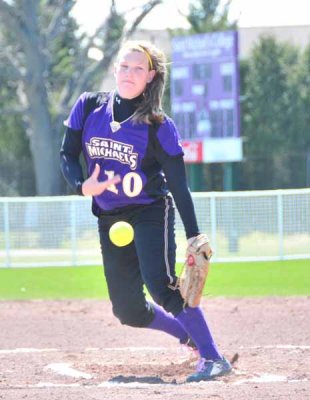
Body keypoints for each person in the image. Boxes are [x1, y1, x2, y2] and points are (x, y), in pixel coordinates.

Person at [60, 40, 232, 382]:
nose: (129, 73)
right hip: (110, 218)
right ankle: (186, 335)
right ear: (114, 69)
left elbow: (179, 184)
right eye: (124, 66)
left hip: (150, 211)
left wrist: (194, 234)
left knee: (161, 286)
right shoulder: (89, 106)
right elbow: (67, 154)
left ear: (150, 76)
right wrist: (82, 186)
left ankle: (213, 358)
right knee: (128, 310)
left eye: (138, 68)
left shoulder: (158, 124)